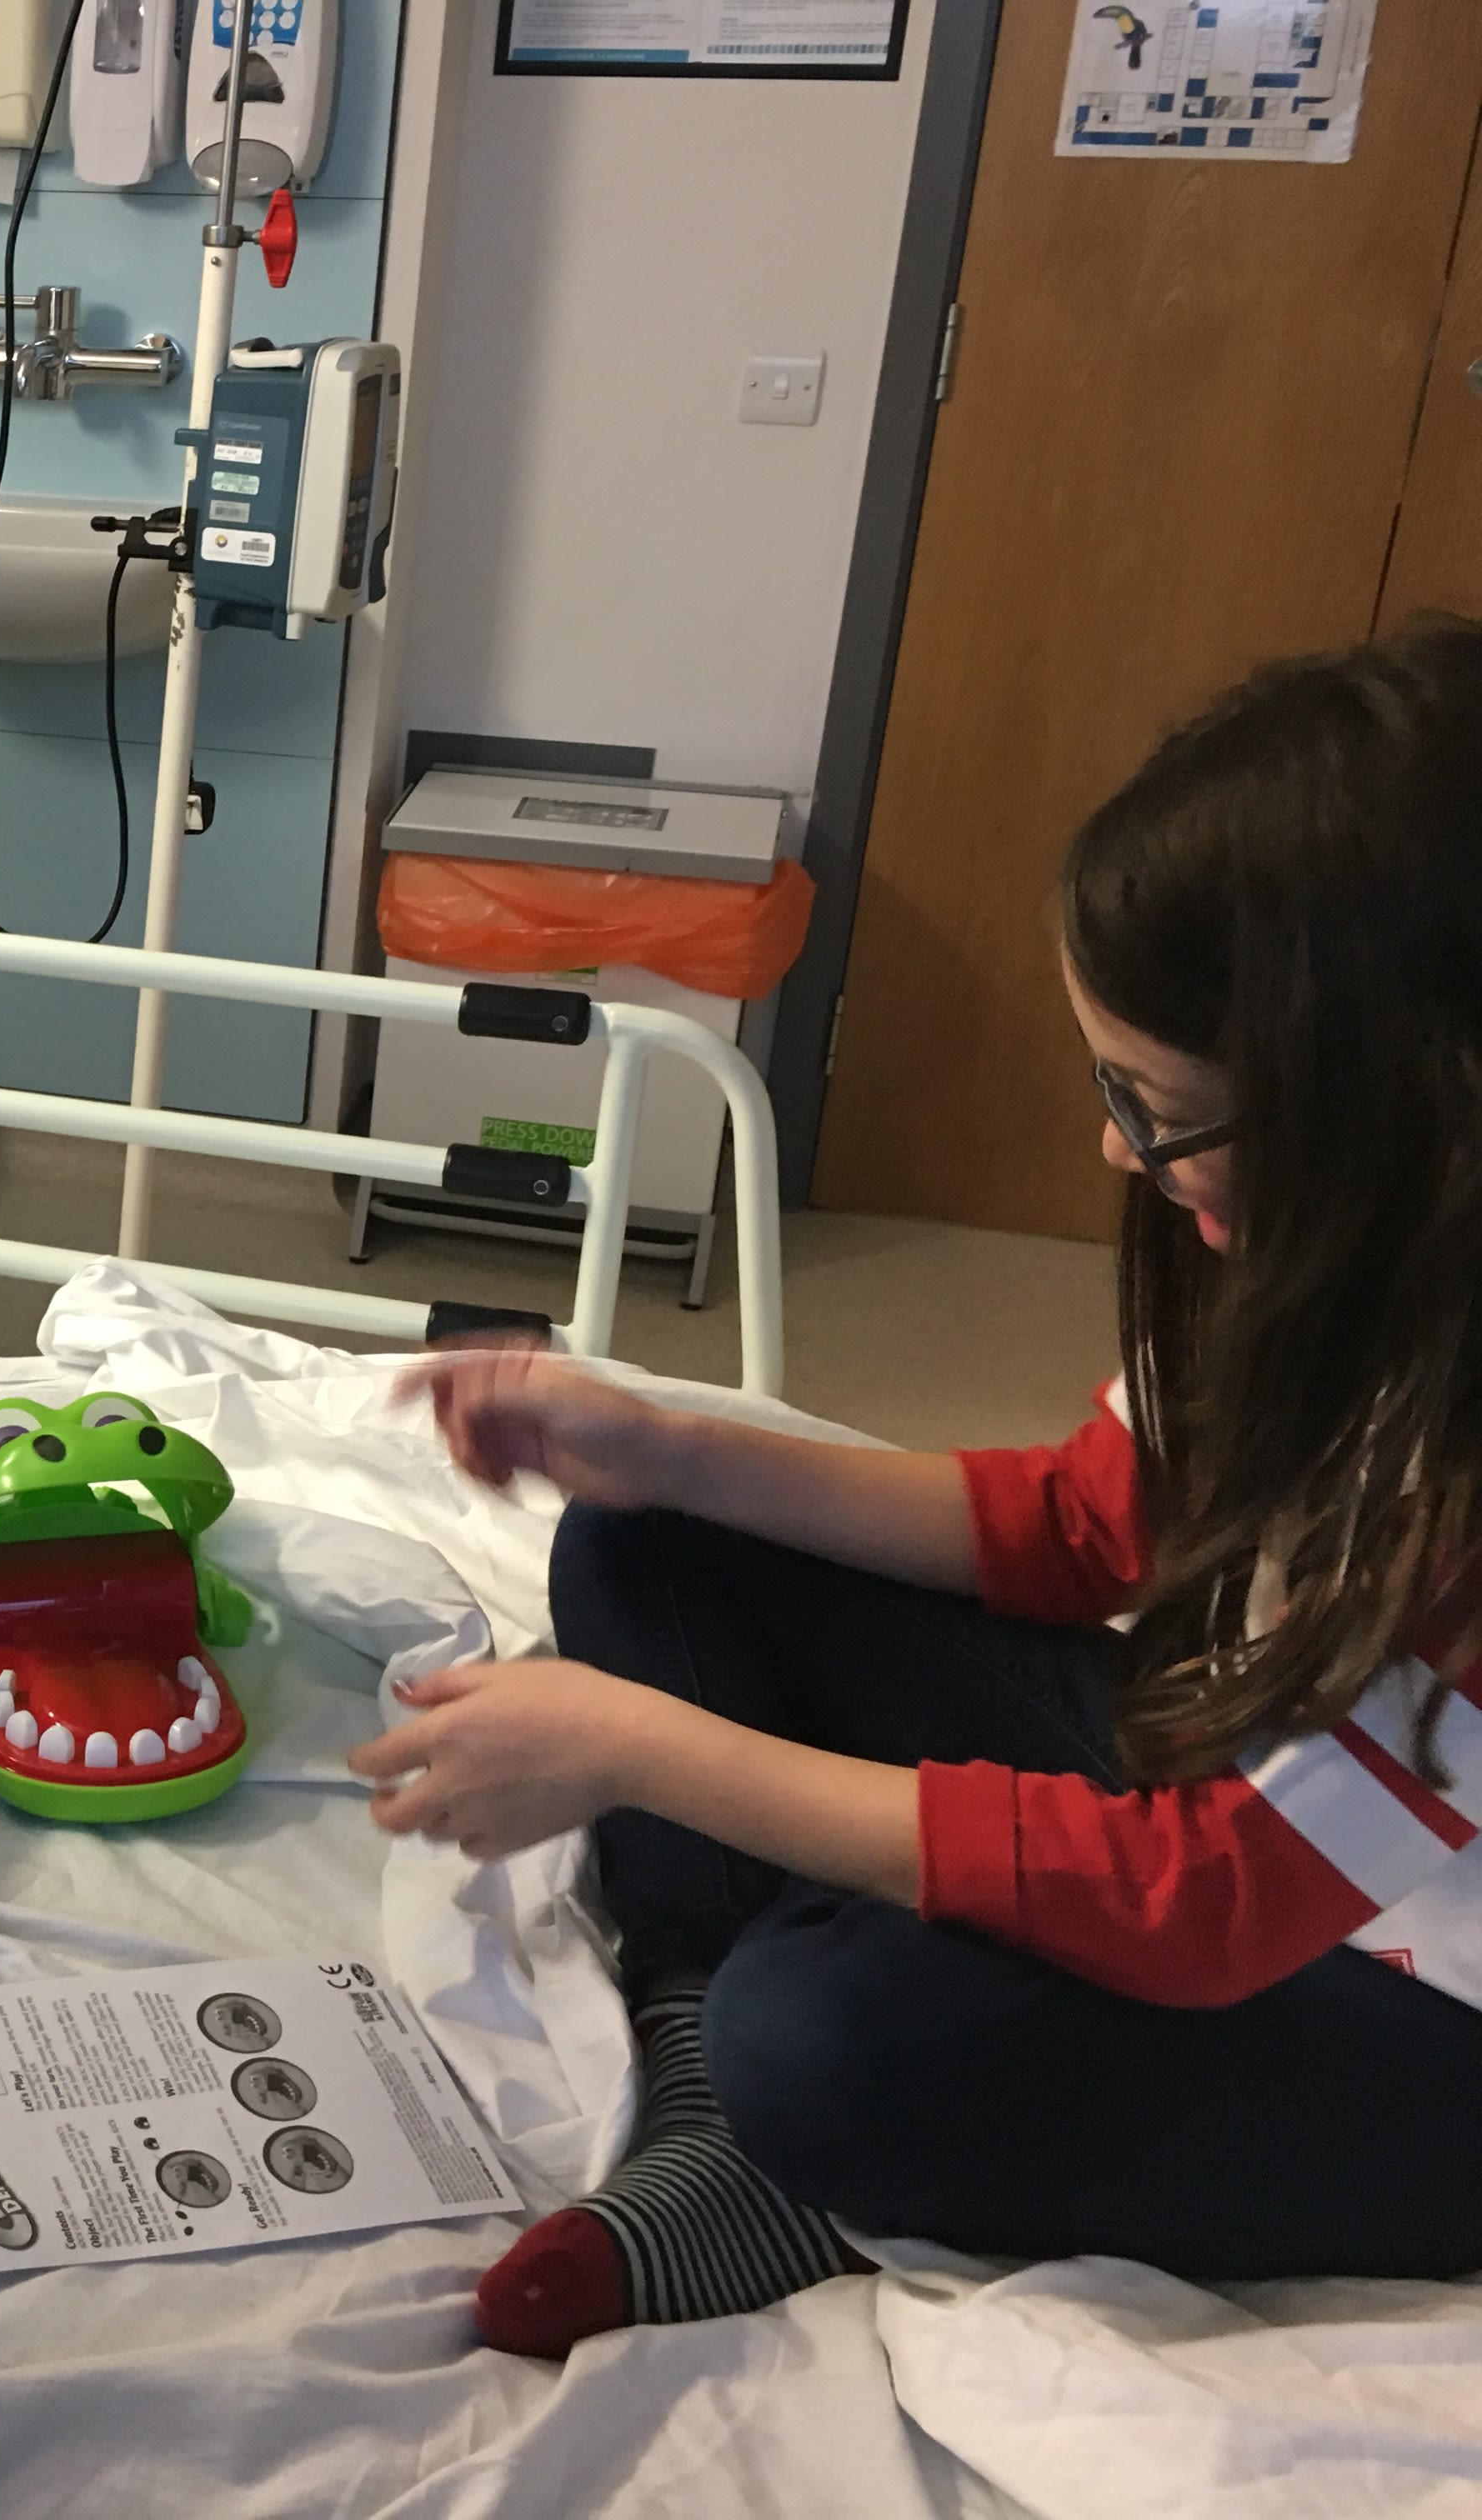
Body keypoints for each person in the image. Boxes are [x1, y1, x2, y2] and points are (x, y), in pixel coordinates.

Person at [353, 621, 1482, 2356]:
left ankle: (773, 2104)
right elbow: (1083, 1525)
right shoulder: (1337, 1261)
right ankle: (716, 2095)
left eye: (1159, 1110)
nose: (1116, 1149)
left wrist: (637, 1751)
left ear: (1399, 1110)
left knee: (825, 2032)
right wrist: (671, 1446)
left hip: (1412, 1998)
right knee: (654, 1541)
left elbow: (1204, 1904)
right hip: (1254, 1810)